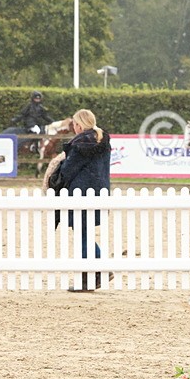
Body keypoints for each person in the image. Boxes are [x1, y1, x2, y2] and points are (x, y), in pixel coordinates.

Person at [54, 109, 112, 291]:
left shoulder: (79, 144)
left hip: (80, 192)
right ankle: (97, 272)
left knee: (81, 233)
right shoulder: (103, 139)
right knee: (84, 232)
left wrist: (57, 171)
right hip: (99, 191)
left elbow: (67, 170)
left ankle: (95, 272)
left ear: (78, 125)